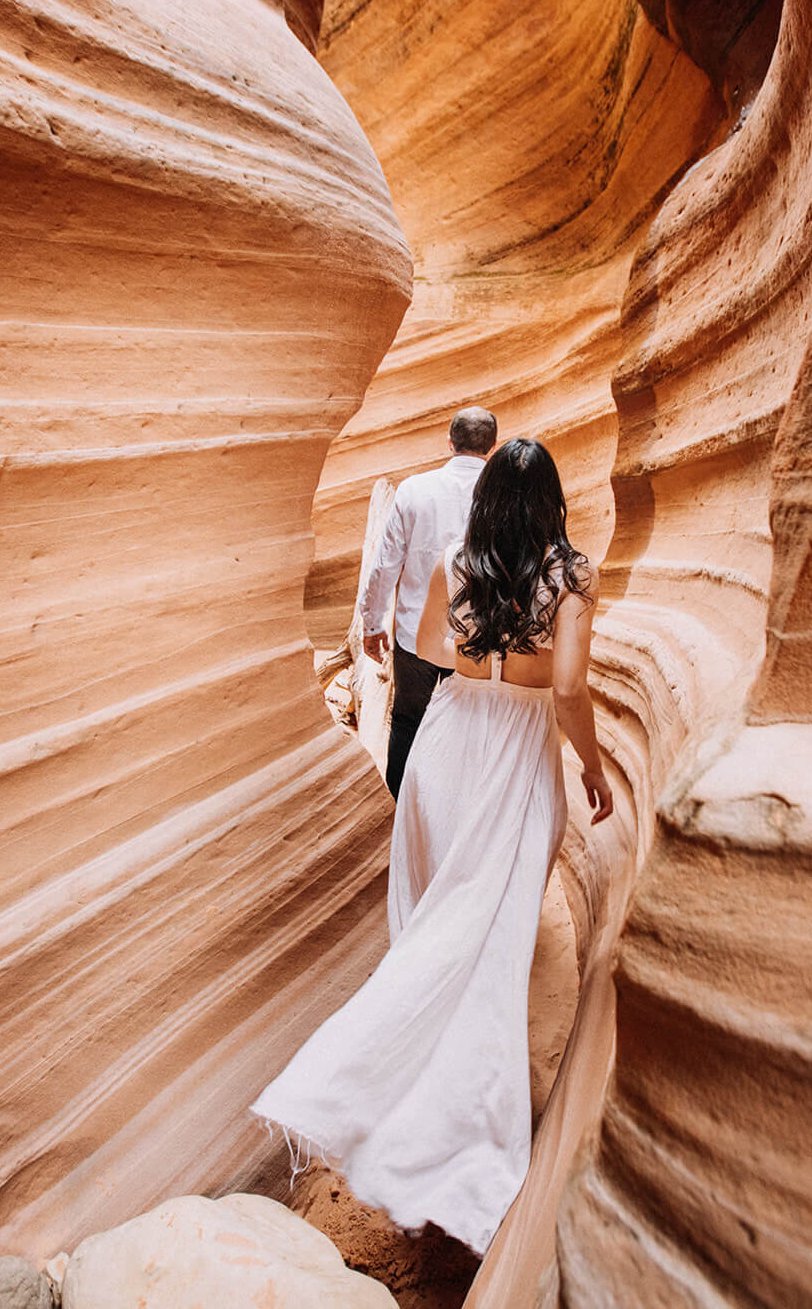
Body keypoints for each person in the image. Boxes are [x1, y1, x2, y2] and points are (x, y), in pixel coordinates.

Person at [250, 438, 613, 1257]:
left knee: (435, 924)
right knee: (490, 934)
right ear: (552, 498)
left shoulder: (458, 559)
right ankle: (443, 1135)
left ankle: (398, 1104)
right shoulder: (573, 576)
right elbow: (565, 686)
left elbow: (427, 652)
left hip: (449, 742)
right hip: (515, 753)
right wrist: (590, 766)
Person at [361, 406, 497, 800]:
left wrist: (372, 626)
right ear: (492, 446)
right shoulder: (500, 497)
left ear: (450, 442)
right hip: (476, 637)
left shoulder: (414, 490)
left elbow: (385, 565)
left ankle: (398, 808)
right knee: (466, 727)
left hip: (414, 633)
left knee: (407, 722)